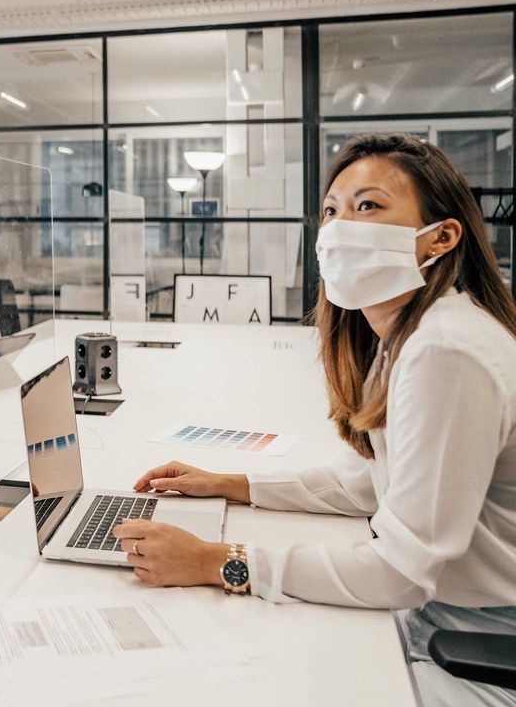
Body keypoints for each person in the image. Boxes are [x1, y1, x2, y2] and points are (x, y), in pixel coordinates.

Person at [112, 134, 516, 705]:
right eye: (331, 210)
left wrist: (215, 562)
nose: (340, 227)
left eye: (368, 206)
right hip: (444, 618)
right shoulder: (406, 336)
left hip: (474, 642)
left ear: (442, 237)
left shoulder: (447, 349)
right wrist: (232, 485)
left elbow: (402, 572)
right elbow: (371, 482)